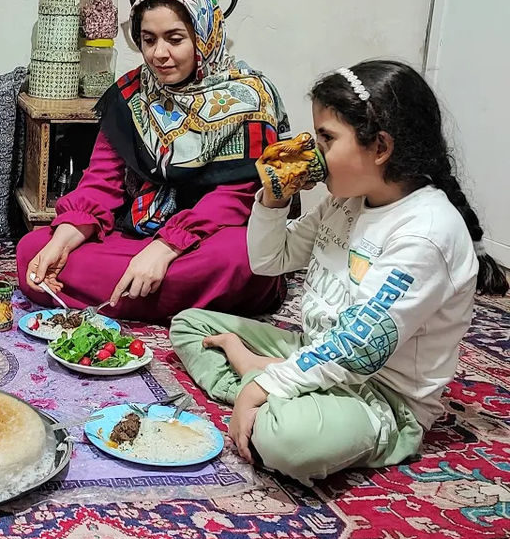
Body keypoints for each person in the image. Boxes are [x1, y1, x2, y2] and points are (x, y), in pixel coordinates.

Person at [170, 60, 509, 484]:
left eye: (326, 138)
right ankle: (273, 382)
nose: (312, 152)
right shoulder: (345, 201)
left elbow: (358, 347)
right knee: (189, 324)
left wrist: (260, 380)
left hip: (382, 395)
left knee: (286, 440)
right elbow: (270, 261)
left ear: (380, 147)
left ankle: (264, 383)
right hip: (315, 348)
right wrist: (273, 202)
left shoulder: (426, 233)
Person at [17, 0, 288, 322]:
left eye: (175, 39)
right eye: (148, 40)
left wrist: (166, 248)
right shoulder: (132, 94)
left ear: (204, 36)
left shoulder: (247, 100)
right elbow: (101, 182)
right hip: (136, 235)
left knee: (243, 259)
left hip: (203, 240)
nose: (159, 54)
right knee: (33, 250)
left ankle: (132, 295)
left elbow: (236, 199)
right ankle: (170, 302)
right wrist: (63, 240)